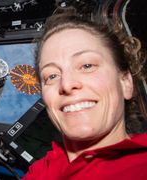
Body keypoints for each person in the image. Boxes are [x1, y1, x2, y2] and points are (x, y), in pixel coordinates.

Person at [23, 11, 147, 180]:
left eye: (87, 65)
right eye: (51, 76)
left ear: (125, 82)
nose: (66, 84)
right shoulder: (39, 172)